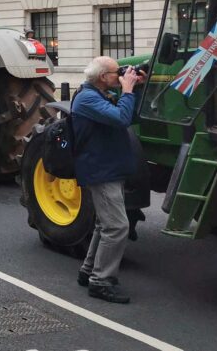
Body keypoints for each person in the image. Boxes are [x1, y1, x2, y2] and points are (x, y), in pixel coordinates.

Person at [72, 56, 145, 304]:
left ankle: (88, 270)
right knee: (117, 227)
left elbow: (128, 115)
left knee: (105, 225)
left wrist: (134, 88)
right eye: (117, 72)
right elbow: (121, 119)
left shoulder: (99, 94)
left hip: (109, 168)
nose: (121, 74)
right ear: (103, 77)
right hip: (101, 172)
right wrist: (126, 89)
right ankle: (101, 281)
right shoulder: (87, 98)